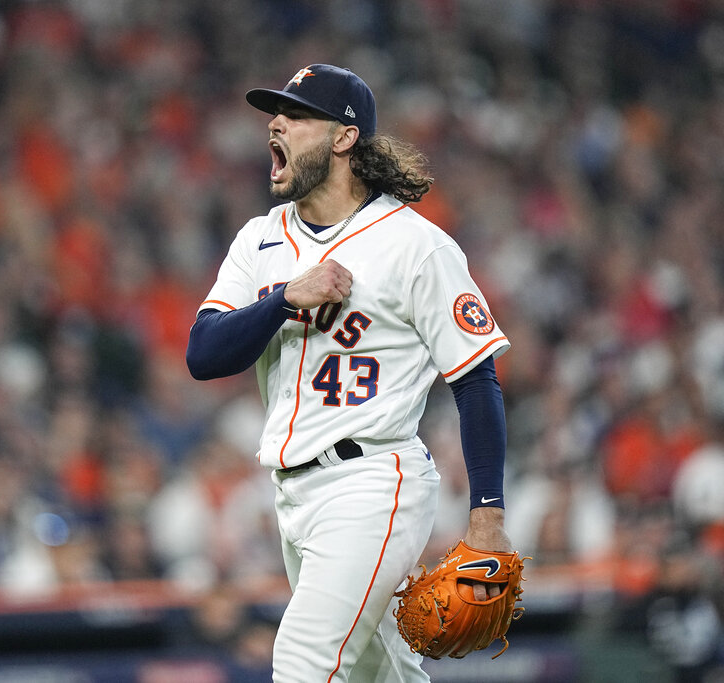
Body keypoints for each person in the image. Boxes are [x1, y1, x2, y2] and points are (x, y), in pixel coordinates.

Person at [186, 64, 512, 682]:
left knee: (304, 658)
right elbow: (204, 355)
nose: (275, 124)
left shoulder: (416, 246)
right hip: (291, 490)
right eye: (273, 114)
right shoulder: (259, 239)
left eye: (296, 114)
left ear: (343, 137)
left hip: (372, 483)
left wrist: (487, 515)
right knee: (375, 671)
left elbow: (476, 380)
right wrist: (284, 298)